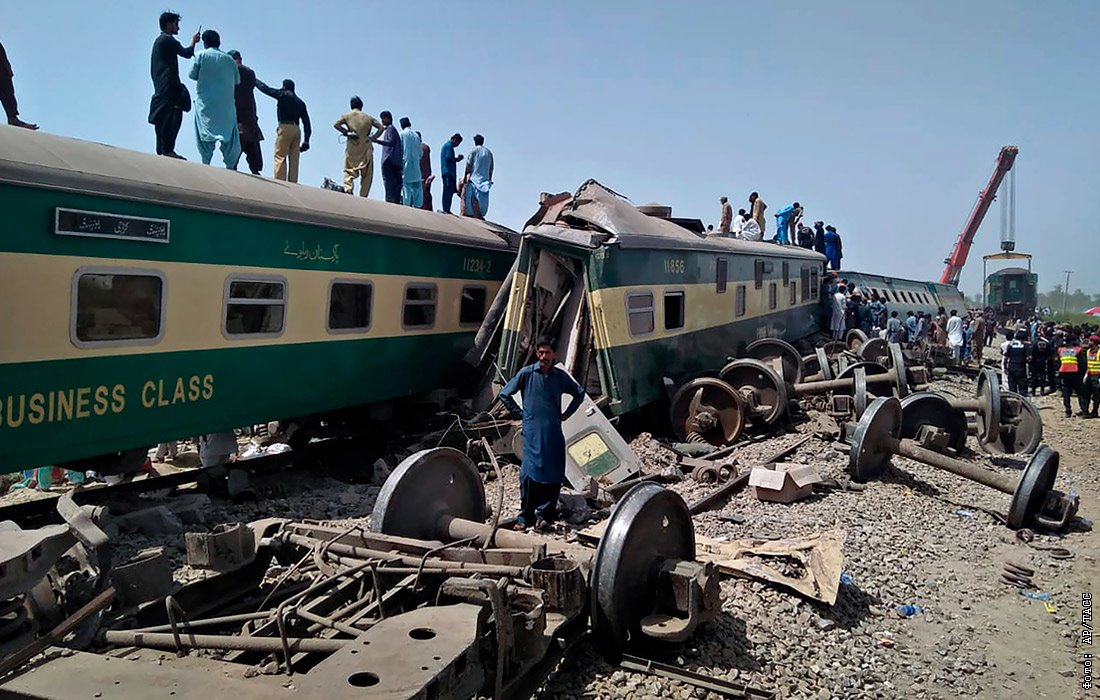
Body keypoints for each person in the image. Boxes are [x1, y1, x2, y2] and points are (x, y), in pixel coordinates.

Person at [497, 338, 585, 531]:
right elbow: (505, 394)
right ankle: (525, 516)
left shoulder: (559, 377)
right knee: (529, 473)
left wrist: (567, 413)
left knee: (554, 472)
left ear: (554, 354)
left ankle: (545, 515)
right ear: (537, 354)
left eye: (547, 353)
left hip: (553, 430)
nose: (543, 357)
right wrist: (520, 413)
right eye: (540, 353)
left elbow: (579, 393)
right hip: (532, 431)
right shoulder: (527, 374)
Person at [149, 12, 199, 158]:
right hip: (168, 86)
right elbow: (187, 53)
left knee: (165, 115)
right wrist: (193, 41)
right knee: (172, 116)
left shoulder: (160, 40)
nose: (178, 27)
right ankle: (168, 149)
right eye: (176, 24)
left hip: (163, 85)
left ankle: (163, 149)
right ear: (169, 24)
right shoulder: (167, 40)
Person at [188, 30, 240, 168]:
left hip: (206, 103)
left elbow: (192, 75)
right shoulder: (230, 60)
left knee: (204, 136)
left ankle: (206, 164)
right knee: (230, 139)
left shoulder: (200, 56)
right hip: (226, 106)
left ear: (204, 43)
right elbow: (237, 81)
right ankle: (230, 167)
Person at [256, 78, 310, 182]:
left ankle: (280, 181)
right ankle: (293, 183)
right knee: (294, 159)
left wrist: (254, 79)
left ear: (284, 87)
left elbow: (266, 89)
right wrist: (307, 140)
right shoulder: (301, 103)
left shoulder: (282, 94)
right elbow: (307, 123)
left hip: (285, 127)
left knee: (280, 156)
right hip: (297, 130)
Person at [333, 96, 383, 196]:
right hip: (365, 146)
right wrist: (373, 138)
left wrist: (346, 132)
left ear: (351, 106)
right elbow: (381, 127)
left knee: (349, 169)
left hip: (352, 145)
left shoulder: (347, 116)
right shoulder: (368, 117)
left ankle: (348, 189)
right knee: (367, 174)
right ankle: (363, 195)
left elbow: (336, 124)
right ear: (361, 106)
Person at [227, 50, 263, 175]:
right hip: (251, 119)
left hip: (237, 119)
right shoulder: (250, 72)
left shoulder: (231, 71)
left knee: (232, 162)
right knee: (255, 165)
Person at [0, 41, 37, 130]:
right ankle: (13, 119)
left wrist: (8, 70)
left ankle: (13, 119)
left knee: (7, 92)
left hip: (3, 72)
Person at [373, 111, 402, 204]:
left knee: (389, 183)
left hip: (389, 160)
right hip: (395, 161)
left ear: (388, 118)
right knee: (394, 183)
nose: (382, 121)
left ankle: (390, 202)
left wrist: (377, 141)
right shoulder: (392, 129)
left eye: (383, 118)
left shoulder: (390, 129)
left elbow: (391, 142)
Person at [463, 134, 494, 219]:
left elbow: (468, 165)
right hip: (485, 181)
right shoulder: (489, 153)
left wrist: (465, 176)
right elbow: (491, 169)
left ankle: (472, 215)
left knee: (470, 201)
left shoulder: (473, 151)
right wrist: (489, 179)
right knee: (482, 202)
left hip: (474, 179)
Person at [1057, 335, 1086, 417]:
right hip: (1076, 373)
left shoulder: (1060, 350)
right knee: (1080, 393)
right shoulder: (1078, 350)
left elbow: (1059, 363)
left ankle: (1068, 411)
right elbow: (1082, 364)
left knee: (1066, 394)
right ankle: (1084, 410)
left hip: (1065, 373)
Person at [397, 118, 422, 207]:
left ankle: (407, 206)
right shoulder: (416, 135)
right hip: (416, 164)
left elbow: (399, 150)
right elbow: (420, 153)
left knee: (406, 186)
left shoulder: (402, 134)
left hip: (406, 163)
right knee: (417, 186)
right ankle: (418, 206)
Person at [439, 133, 464, 214]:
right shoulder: (449, 146)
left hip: (448, 172)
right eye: (458, 143)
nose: (457, 145)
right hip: (448, 172)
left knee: (449, 191)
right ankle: (445, 209)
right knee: (447, 191)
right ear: (454, 139)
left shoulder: (447, 146)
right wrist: (457, 159)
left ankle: (447, 209)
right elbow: (449, 157)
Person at [1001, 329, 1031, 395]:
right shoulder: (1026, 346)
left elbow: (1006, 357)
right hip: (1021, 368)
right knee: (1022, 388)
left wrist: (1005, 367)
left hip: (1011, 367)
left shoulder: (1011, 345)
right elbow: (1029, 358)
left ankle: (1012, 401)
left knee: (1012, 387)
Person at [1029, 331, 1053, 396]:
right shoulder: (1047, 343)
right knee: (1043, 377)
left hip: (1035, 362)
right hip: (1043, 361)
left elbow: (1031, 352)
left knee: (1034, 377)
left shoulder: (1034, 343)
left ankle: (1033, 391)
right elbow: (1050, 353)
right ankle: (1042, 390)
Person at [1083, 335, 1100, 418]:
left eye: (1090, 341)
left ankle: (1094, 411)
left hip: (1097, 377)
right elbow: (1087, 364)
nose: (1088, 342)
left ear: (1094, 342)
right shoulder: (1088, 351)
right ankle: (1085, 411)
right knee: (1086, 394)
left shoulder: (1099, 352)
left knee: (1096, 396)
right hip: (1089, 375)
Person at [418, 133, 434, 211]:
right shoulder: (426, 147)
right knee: (426, 192)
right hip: (427, 173)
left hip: (418, 174)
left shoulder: (416, 147)